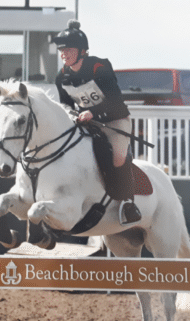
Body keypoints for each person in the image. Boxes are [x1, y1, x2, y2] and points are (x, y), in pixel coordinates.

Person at [52, 20, 141, 227]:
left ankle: (128, 203)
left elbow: (115, 100)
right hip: (88, 123)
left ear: (82, 51)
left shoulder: (99, 67)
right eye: (61, 50)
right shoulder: (61, 76)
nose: (64, 54)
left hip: (115, 120)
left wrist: (92, 112)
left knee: (117, 157)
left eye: (68, 49)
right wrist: (74, 115)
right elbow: (65, 105)